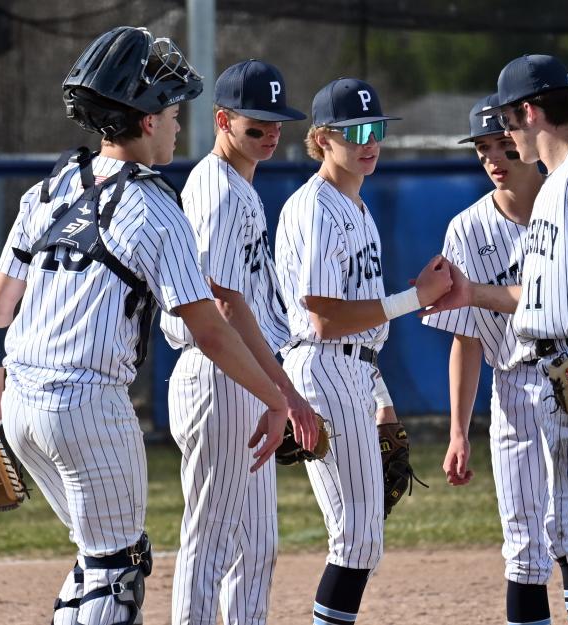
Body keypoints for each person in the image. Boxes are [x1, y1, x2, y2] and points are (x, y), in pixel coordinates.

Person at [0, 27, 290, 625]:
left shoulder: (49, 189)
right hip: (89, 408)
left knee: (103, 559)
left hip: (21, 405)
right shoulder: (155, 205)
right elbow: (211, 330)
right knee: (116, 571)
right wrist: (275, 399)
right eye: (171, 113)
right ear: (145, 121)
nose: (174, 125)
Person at [425, 55, 568, 625]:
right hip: (551, 372)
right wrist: (474, 292)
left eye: (508, 122)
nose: (502, 139)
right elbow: (536, 296)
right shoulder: (556, 186)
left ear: (528, 112)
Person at [274, 77, 451, 625]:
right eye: (355, 132)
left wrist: (381, 395)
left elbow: (357, 331)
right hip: (324, 367)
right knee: (356, 539)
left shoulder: (357, 207)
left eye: (376, 129)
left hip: (351, 370)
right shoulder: (318, 208)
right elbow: (325, 319)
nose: (370, 141)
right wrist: (415, 298)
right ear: (323, 138)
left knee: (360, 538)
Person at [160, 59, 316, 625]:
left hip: (240, 376)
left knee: (255, 547)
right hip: (218, 374)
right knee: (212, 543)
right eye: (257, 126)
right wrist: (287, 394)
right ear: (223, 120)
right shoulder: (220, 191)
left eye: (278, 123)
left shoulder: (238, 186)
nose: (271, 134)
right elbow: (222, 303)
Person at [421, 94, 555, 622]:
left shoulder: (567, 202)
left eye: (503, 145)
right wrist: (458, 431)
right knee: (523, 539)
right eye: (483, 149)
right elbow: (466, 338)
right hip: (514, 389)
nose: (494, 160)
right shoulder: (467, 229)